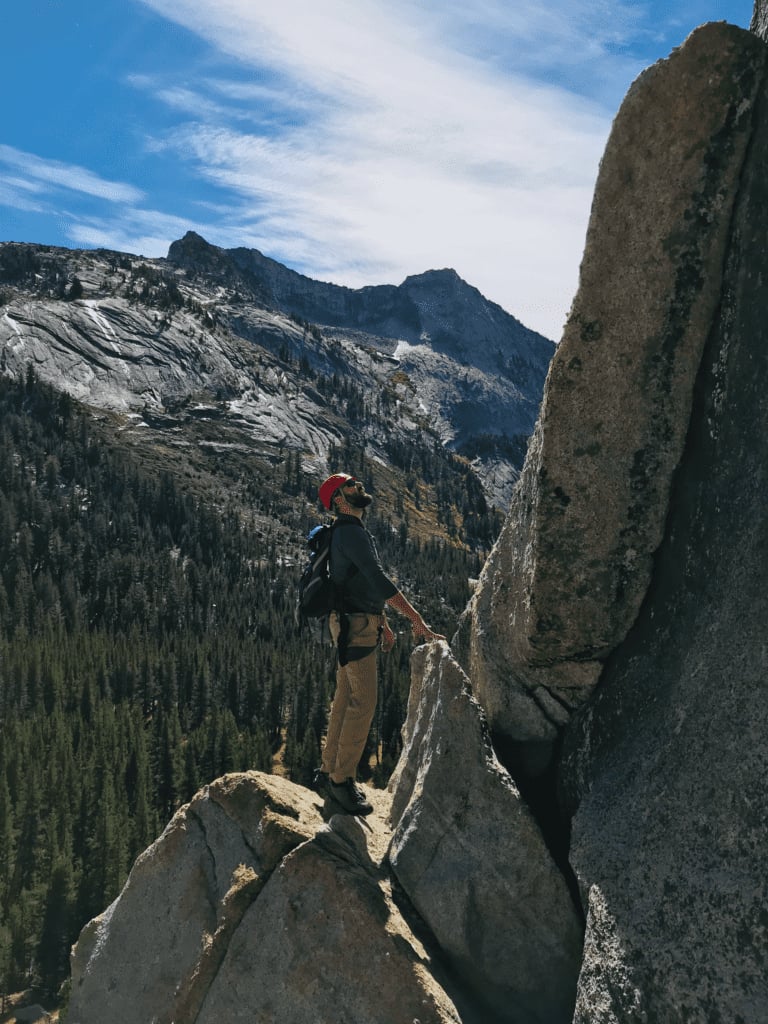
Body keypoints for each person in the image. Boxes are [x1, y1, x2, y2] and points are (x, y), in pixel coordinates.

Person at [314, 472, 445, 815]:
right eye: (352, 485)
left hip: (354, 622)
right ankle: (341, 783)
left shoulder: (347, 532)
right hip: (354, 626)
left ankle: (328, 770)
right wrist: (416, 620)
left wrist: (384, 622)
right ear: (340, 500)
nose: (360, 487)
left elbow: (359, 583)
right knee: (364, 702)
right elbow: (377, 579)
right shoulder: (350, 533)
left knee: (345, 697)